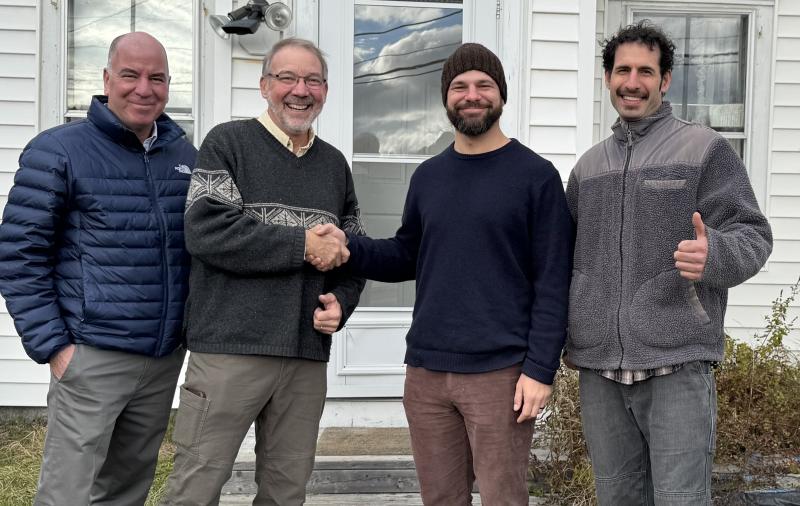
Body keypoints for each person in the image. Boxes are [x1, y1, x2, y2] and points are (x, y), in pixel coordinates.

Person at [311, 43, 574, 505]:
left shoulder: (537, 177)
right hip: (427, 373)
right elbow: (407, 255)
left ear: (501, 95)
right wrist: (348, 249)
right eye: (459, 86)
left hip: (501, 374)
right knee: (440, 499)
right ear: (446, 98)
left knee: (502, 498)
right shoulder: (429, 176)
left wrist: (540, 370)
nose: (471, 95)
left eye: (483, 85)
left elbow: (553, 281)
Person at [564, 20, 772, 505]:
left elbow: (753, 234)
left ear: (665, 80)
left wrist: (714, 253)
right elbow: (566, 258)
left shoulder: (704, 149)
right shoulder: (588, 168)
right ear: (608, 77)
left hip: (677, 365)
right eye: (622, 70)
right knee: (616, 499)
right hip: (600, 373)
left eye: (645, 71)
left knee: (681, 498)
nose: (631, 82)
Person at [161, 38, 365, 505]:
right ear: (265, 85)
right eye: (287, 78)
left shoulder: (334, 165)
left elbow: (352, 251)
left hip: (304, 357)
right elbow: (207, 231)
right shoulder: (228, 143)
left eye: (312, 80)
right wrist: (303, 244)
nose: (300, 90)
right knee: (196, 484)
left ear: (326, 91)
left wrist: (343, 302)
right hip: (229, 351)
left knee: (286, 492)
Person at [0, 32, 197, 505]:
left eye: (157, 78)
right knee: (68, 492)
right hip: (91, 355)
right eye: (130, 75)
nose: (143, 88)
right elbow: (19, 255)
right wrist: (54, 347)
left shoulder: (187, 159)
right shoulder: (59, 150)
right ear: (106, 79)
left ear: (169, 86)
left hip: (162, 357)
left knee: (127, 489)